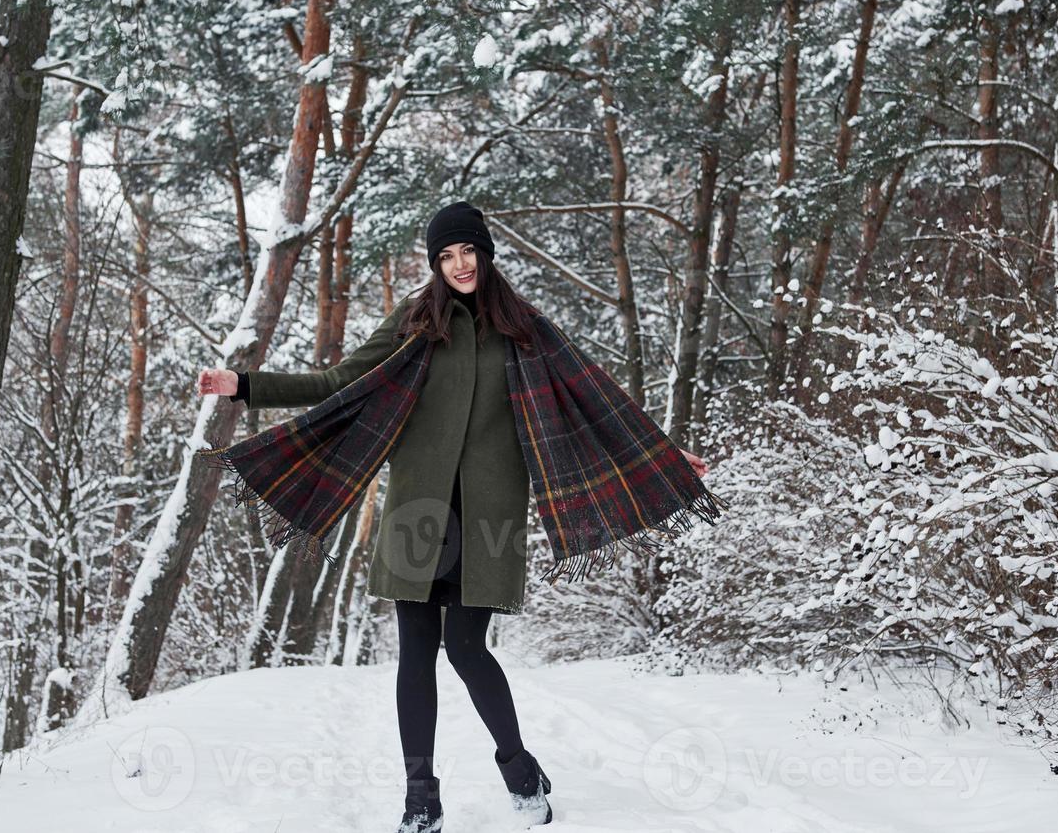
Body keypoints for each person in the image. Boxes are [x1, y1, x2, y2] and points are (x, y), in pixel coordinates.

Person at [198, 201, 708, 831]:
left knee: (467, 649)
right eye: (446, 256)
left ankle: (520, 770)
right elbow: (338, 380)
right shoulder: (415, 323)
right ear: (436, 264)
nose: (459, 265)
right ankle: (420, 797)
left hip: (491, 517)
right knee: (415, 651)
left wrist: (665, 454)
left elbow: (595, 395)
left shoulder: (527, 330)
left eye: (467, 252)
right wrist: (243, 386)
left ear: (485, 254)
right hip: (418, 511)